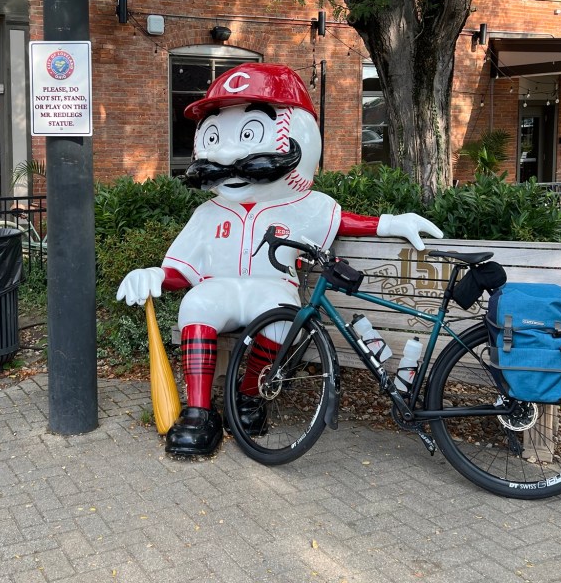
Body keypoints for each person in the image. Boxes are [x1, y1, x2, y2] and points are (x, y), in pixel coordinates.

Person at [117, 63, 442, 457]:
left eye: (249, 134)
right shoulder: (207, 213)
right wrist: (155, 275)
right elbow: (182, 270)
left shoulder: (305, 204)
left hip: (272, 288)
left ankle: (248, 397)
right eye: (215, 136)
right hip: (218, 289)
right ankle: (199, 412)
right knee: (196, 304)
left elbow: (346, 222)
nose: (228, 154)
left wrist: (391, 222)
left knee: (281, 318)